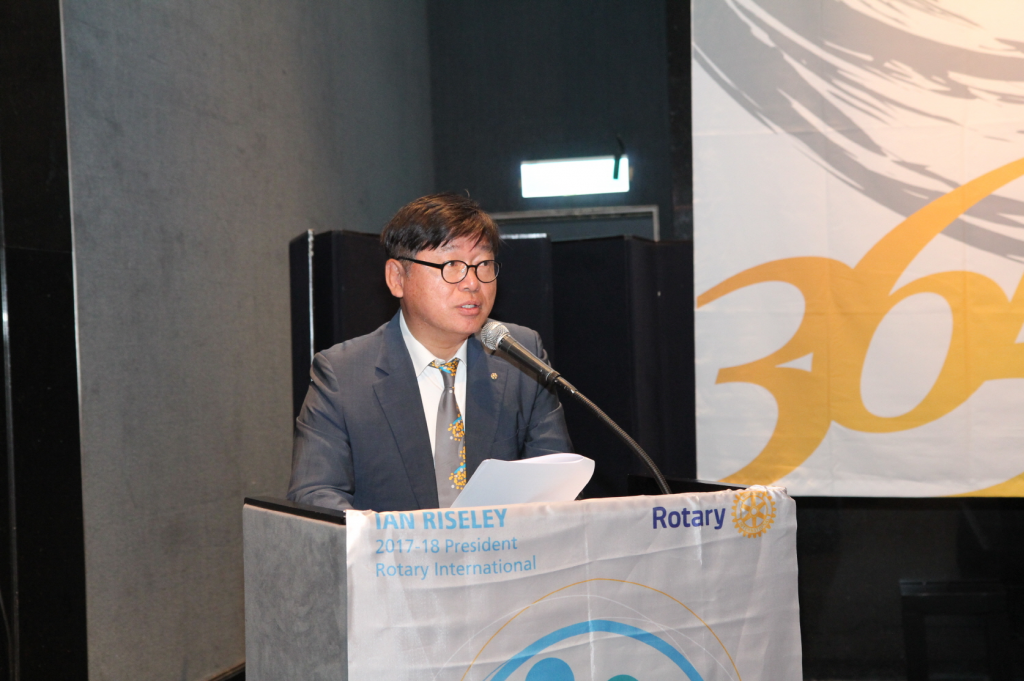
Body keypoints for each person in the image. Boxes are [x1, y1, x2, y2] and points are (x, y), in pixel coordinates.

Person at [287, 193, 572, 511]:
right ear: (397, 278)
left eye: (483, 265)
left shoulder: (520, 356)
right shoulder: (343, 374)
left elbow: (557, 485)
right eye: (452, 265)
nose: (472, 283)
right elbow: (314, 494)